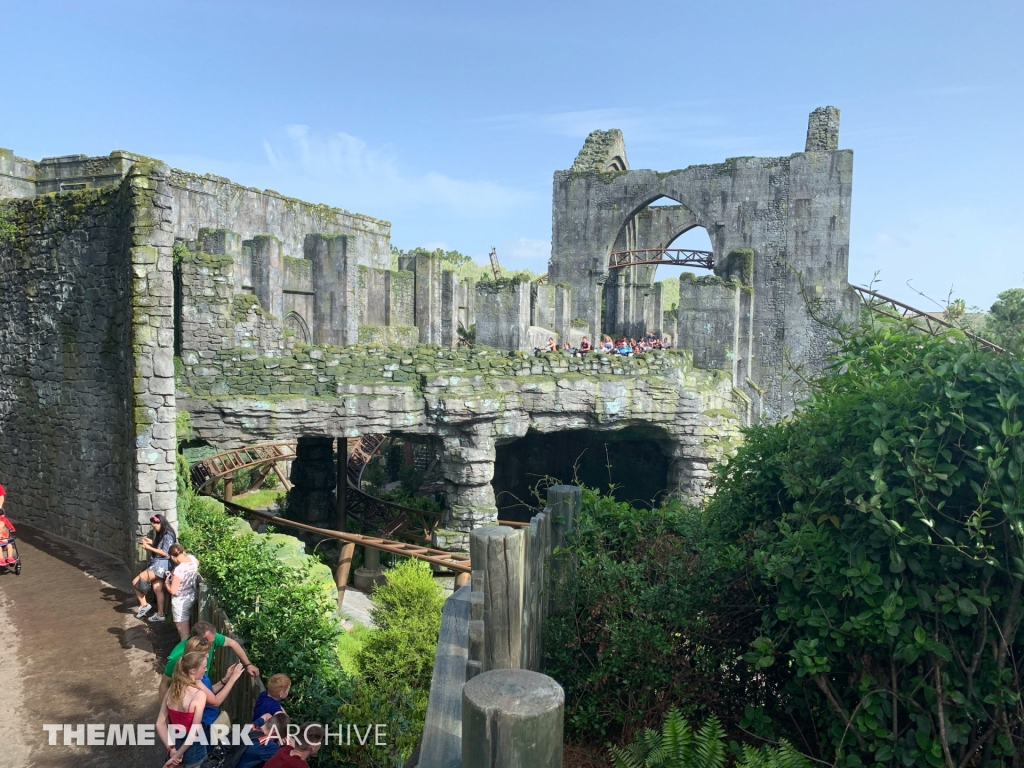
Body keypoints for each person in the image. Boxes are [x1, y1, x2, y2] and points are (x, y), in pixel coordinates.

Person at [158, 621, 260, 713]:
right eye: (206, 651)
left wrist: (247, 665)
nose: (208, 654)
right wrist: (165, 713)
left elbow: (232, 643)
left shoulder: (200, 678)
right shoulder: (178, 659)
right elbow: (164, 685)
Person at [157, 651, 209, 768]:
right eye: (204, 667)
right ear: (193, 671)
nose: (205, 670)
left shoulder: (172, 690)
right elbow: (194, 732)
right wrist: (178, 756)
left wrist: (172, 750)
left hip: (175, 741)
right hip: (194, 747)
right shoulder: (199, 695)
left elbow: (160, 723)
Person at [134, 514, 177, 622]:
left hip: (159, 565)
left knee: (136, 582)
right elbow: (162, 546)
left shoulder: (168, 535)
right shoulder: (164, 533)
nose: (154, 528)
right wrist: (152, 542)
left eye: (155, 526)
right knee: (157, 589)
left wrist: (149, 548)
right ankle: (160, 614)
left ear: (160, 523)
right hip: (161, 565)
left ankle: (144, 606)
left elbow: (165, 552)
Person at [165, 543, 200, 640]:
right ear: (183, 551)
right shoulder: (192, 559)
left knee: (184, 634)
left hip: (180, 602)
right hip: (191, 595)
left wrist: (167, 583)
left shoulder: (179, 570)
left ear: (172, 557)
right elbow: (197, 562)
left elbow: (173, 591)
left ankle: (186, 653)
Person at [0, 483, 16, 566]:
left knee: (9, 544)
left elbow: (8, 524)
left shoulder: (3, 519)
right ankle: (1, 559)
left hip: (4, 540)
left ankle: (10, 557)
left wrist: (11, 528)